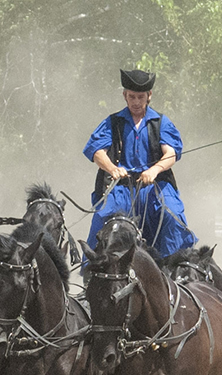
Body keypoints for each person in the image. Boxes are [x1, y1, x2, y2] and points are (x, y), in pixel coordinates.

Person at [83, 68, 197, 258]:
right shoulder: (113, 122)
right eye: (132, 97)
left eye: (140, 97)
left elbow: (171, 153)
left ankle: (173, 266)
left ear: (149, 96)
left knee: (173, 216)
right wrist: (112, 168)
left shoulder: (161, 122)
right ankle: (93, 272)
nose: (136, 102)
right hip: (120, 189)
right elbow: (97, 152)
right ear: (125, 96)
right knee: (102, 219)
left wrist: (154, 170)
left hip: (154, 186)